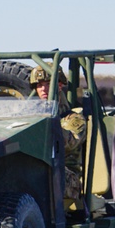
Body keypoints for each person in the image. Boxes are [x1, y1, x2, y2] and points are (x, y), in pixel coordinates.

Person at [30, 65, 86, 203]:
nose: (43, 89)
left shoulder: (74, 119)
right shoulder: (31, 115)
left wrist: (45, 124)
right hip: (38, 169)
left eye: (48, 84)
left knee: (41, 174)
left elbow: (68, 143)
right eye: (39, 85)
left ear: (59, 86)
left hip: (67, 176)